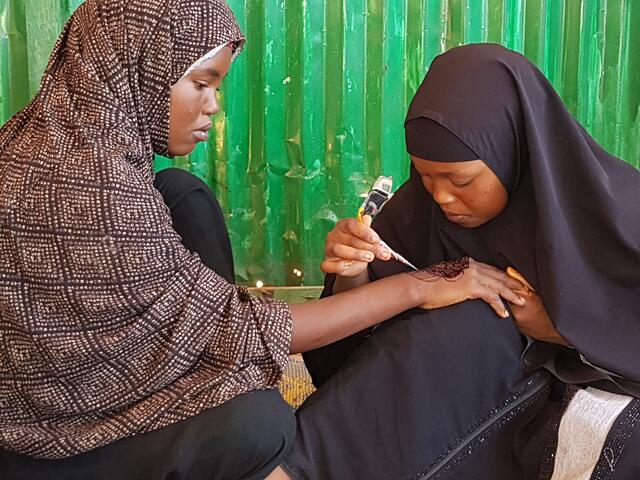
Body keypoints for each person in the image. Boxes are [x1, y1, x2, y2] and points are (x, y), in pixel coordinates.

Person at [0, 3, 524, 479]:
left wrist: (359, 274)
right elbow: (243, 330)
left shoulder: (46, 140)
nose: (213, 108)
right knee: (260, 420)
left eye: (218, 87)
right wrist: (417, 286)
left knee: (182, 194)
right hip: (47, 439)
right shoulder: (94, 190)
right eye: (200, 84)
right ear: (138, 69)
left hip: (52, 395)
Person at [271, 44, 640, 479]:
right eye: (425, 176)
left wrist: (561, 329)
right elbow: (352, 361)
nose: (442, 196)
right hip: (449, 407)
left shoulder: (614, 212)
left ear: (513, 148)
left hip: (573, 392)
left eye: (460, 180)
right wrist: (355, 274)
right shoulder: (419, 211)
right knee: (458, 327)